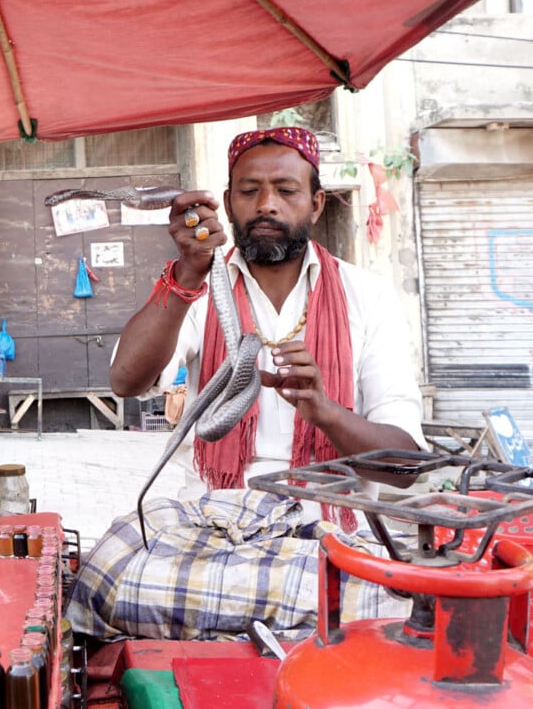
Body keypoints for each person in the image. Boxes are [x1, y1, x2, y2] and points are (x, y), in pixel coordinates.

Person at [110, 126, 425, 516]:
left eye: (286, 190)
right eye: (249, 191)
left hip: (326, 537)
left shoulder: (369, 294)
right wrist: (187, 275)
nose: (266, 205)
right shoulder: (199, 288)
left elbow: (405, 466)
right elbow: (126, 381)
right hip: (214, 523)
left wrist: (325, 411)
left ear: (316, 204)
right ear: (227, 203)